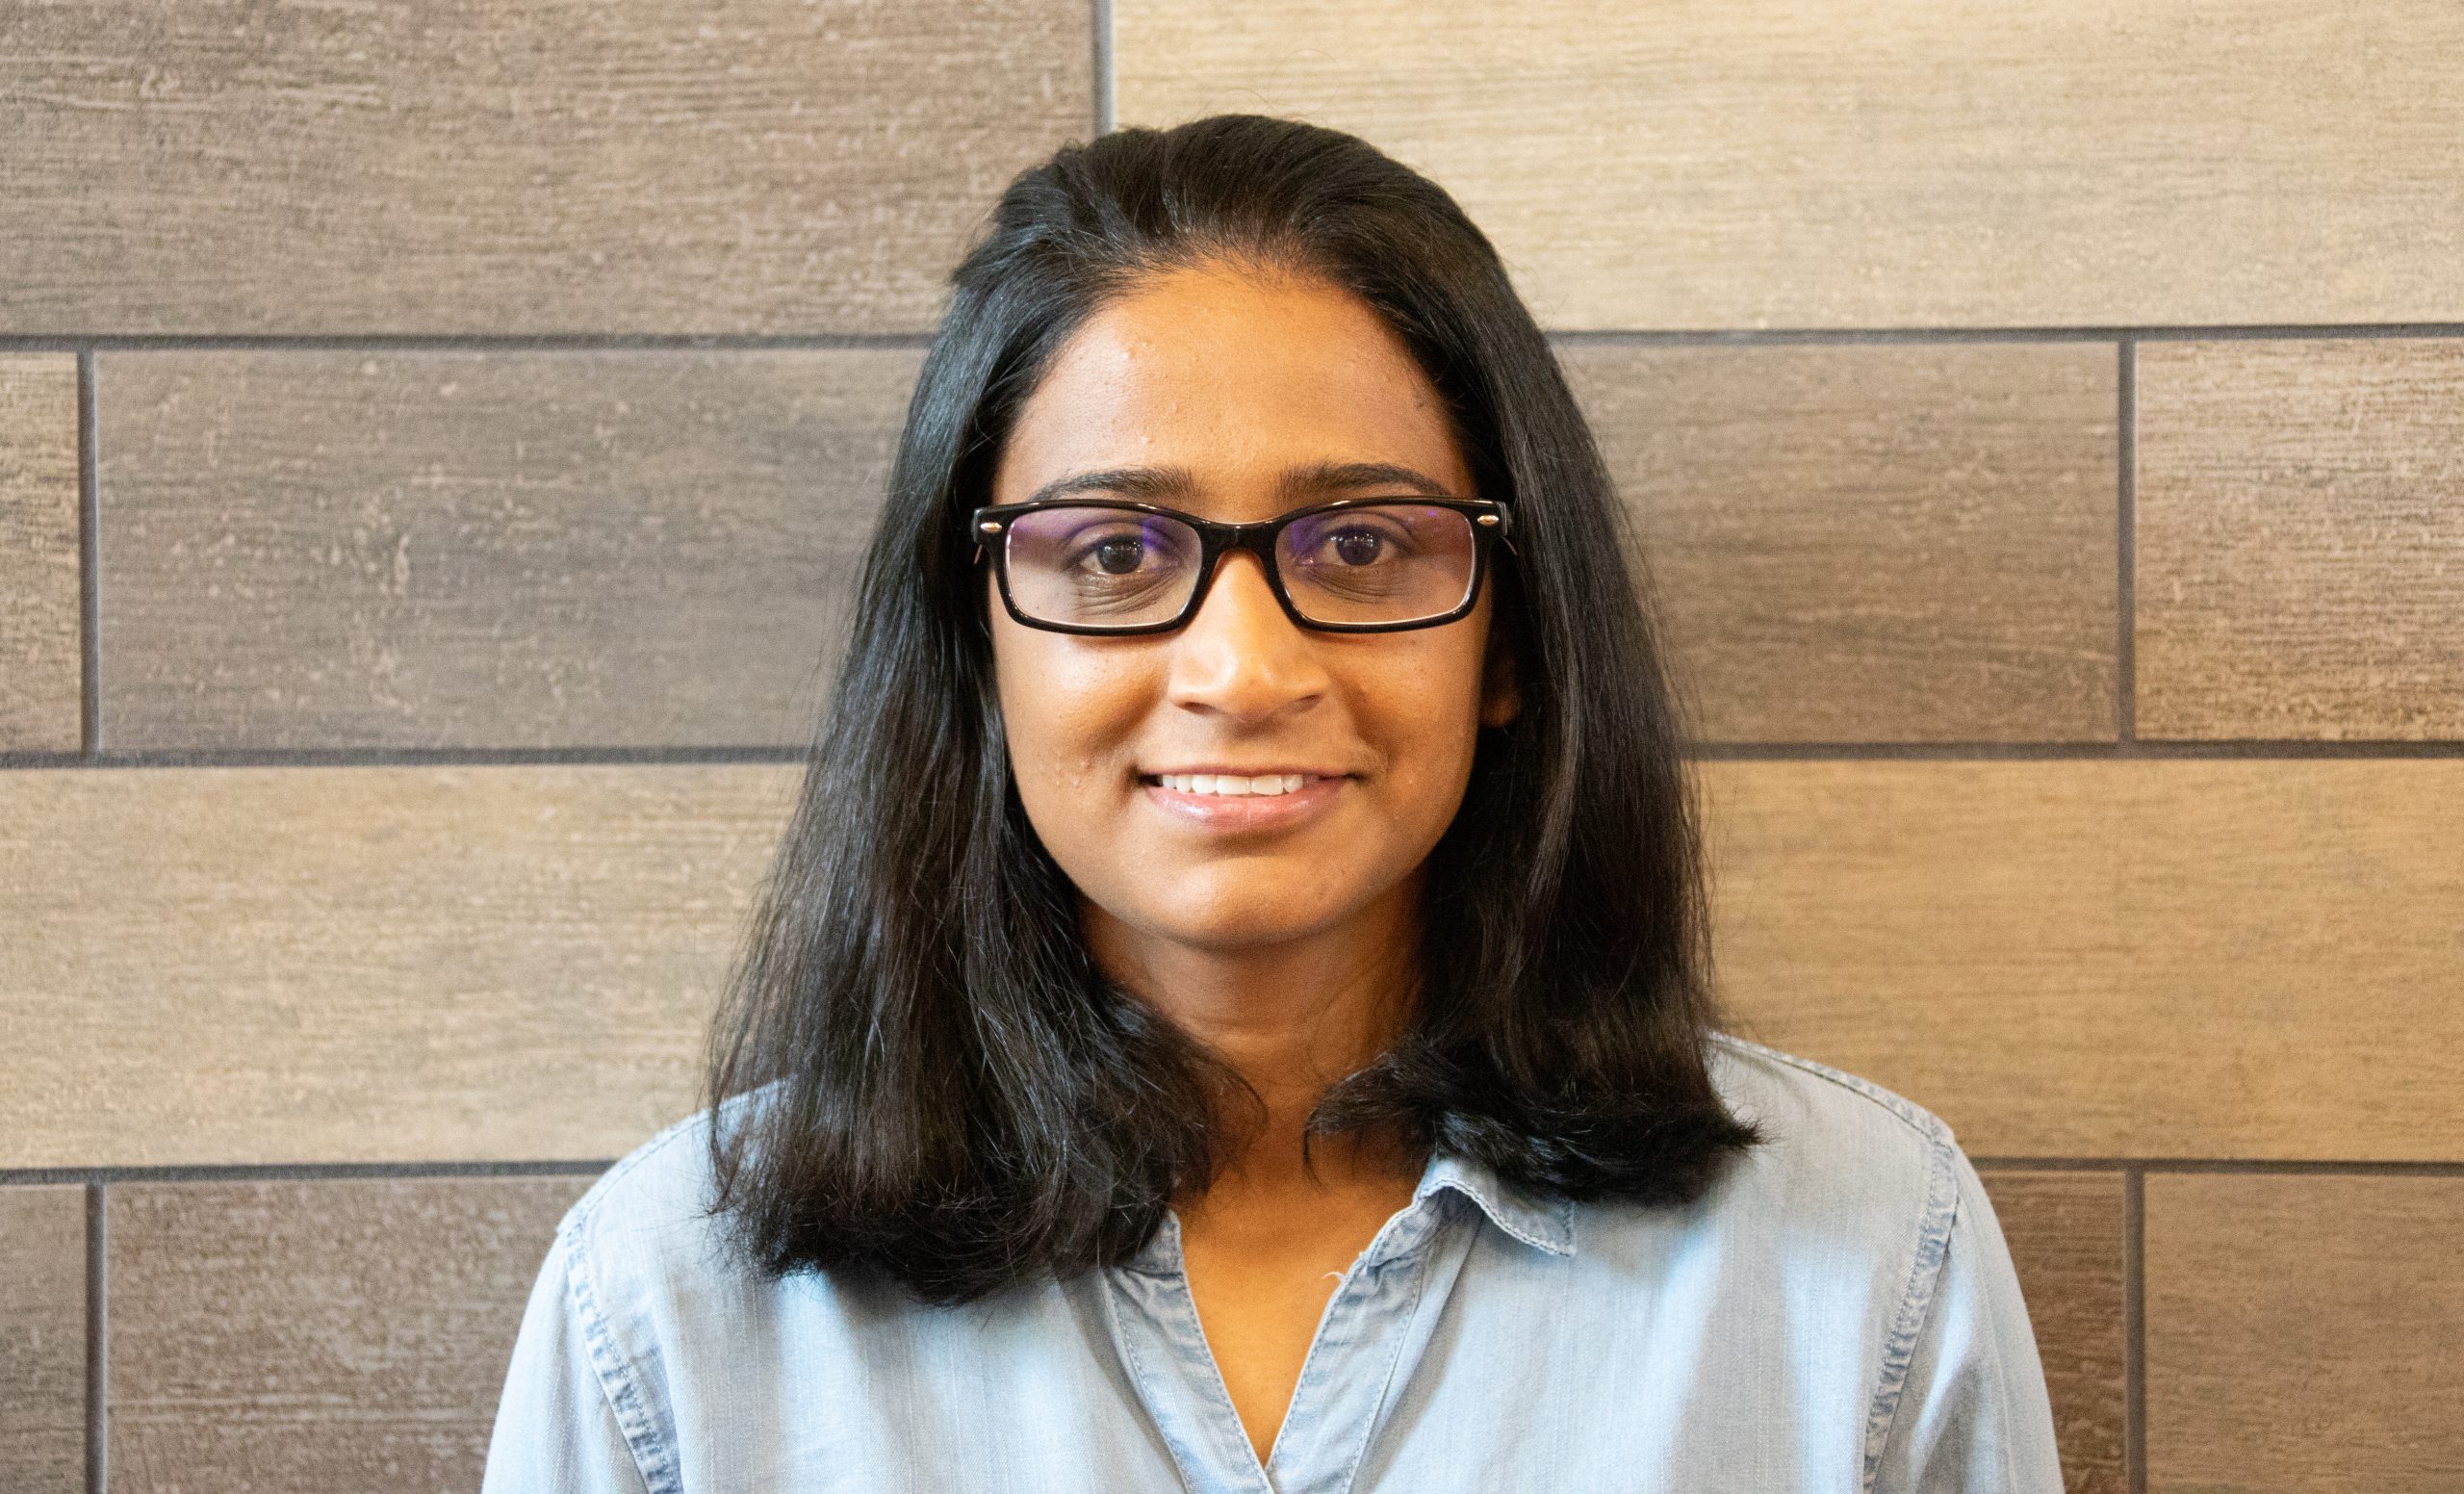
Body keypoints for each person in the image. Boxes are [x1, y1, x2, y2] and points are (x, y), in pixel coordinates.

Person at [481, 114, 2064, 1492]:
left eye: (1362, 547)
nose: (1241, 666)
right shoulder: (672, 1309)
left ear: (1509, 636)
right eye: (1112, 554)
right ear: (978, 650)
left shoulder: (1860, 1255)